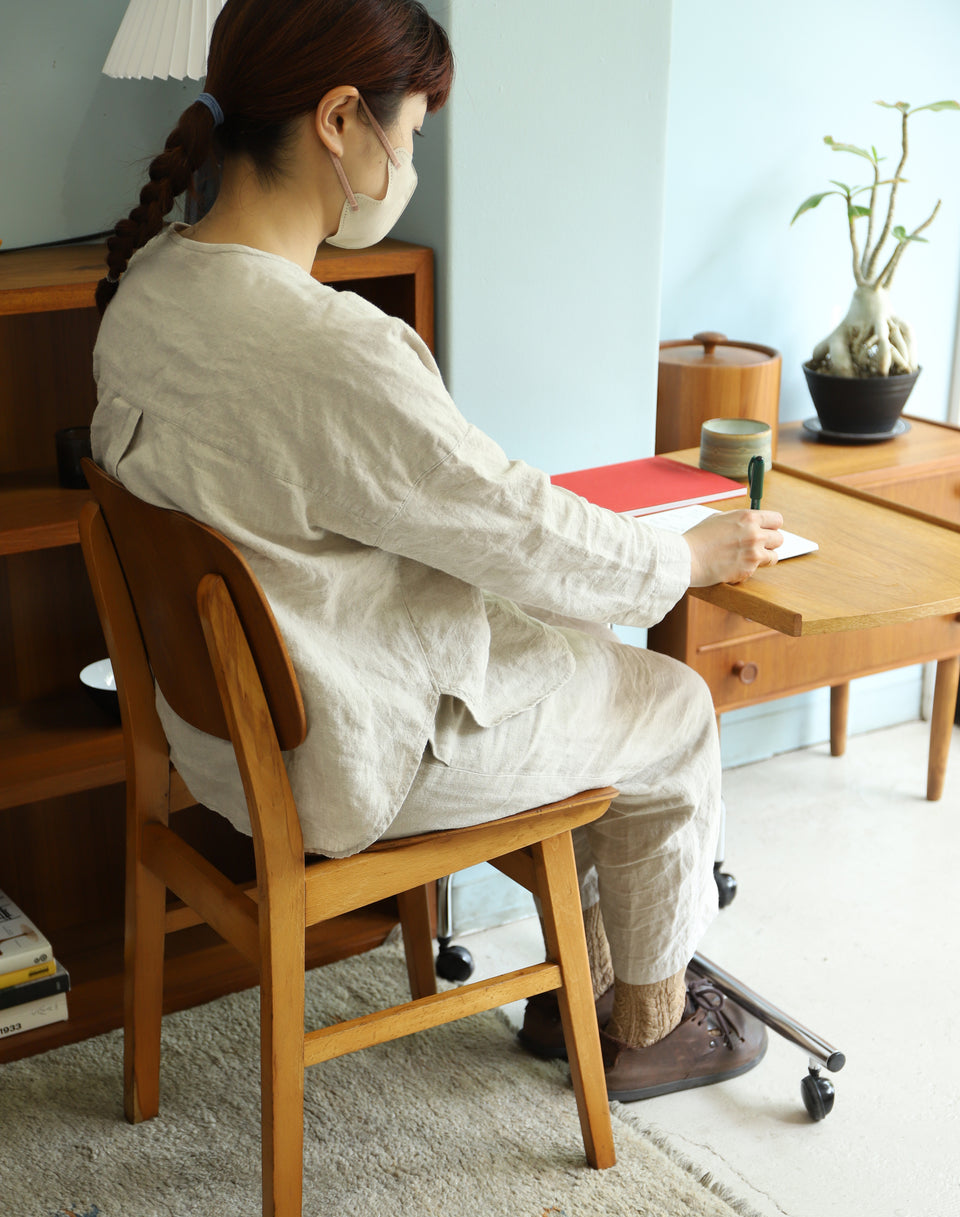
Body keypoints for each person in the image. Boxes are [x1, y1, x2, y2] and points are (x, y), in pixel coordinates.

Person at [91, 0, 784, 1101]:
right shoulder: (331, 347)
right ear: (339, 121)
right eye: (410, 135)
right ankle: (645, 1023)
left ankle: (583, 982)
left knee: (566, 616)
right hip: (344, 756)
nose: (409, 160)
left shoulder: (149, 288)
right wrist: (685, 560)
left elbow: (469, 516)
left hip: (220, 736)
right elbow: (510, 523)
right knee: (672, 707)